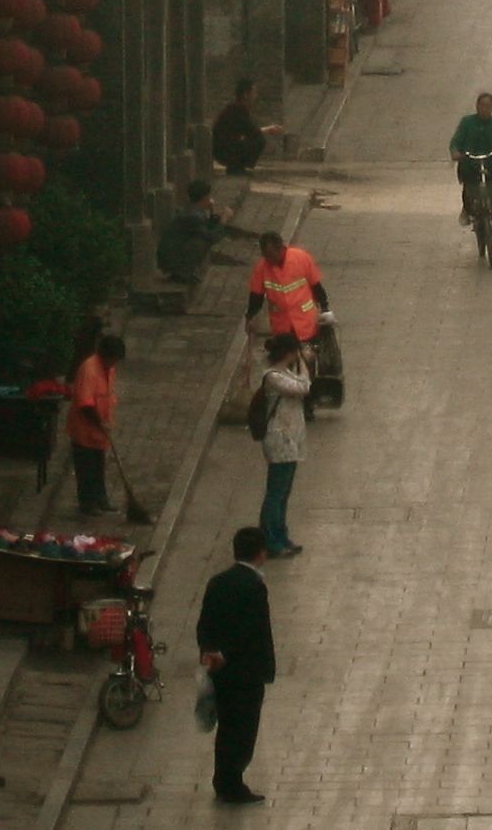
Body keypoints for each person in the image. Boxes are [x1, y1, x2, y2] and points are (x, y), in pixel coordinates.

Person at [196, 527, 278, 804]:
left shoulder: (217, 582)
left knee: (227, 726)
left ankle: (223, 779)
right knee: (243, 730)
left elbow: (204, 622)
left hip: (220, 672)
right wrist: (227, 653)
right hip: (246, 672)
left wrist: (209, 651)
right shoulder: (255, 587)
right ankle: (232, 783)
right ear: (261, 553)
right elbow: (250, 630)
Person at [254, 332, 312, 558]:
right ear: (289, 353)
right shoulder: (273, 376)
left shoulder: (285, 371)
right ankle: (271, 540)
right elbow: (303, 388)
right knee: (276, 493)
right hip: (279, 439)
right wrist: (304, 363)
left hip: (291, 439)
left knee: (284, 492)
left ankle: (281, 534)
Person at [68, 335, 125, 516]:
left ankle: (101, 499)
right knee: (87, 469)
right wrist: (99, 422)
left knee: (99, 467)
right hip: (85, 429)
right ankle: (87, 504)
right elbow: (85, 403)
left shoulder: (109, 368)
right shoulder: (89, 370)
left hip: (99, 431)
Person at [449, 90, 492, 237]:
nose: (484, 109)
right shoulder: (467, 123)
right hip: (470, 163)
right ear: (477, 106)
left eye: (488, 106)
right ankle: (468, 210)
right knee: (469, 189)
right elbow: (456, 141)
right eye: (482, 105)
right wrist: (456, 152)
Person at [160, 178, 230, 285]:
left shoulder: (194, 210)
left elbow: (207, 227)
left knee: (202, 240)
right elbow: (211, 237)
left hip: (173, 255)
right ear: (205, 197)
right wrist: (224, 220)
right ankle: (183, 273)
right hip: (171, 258)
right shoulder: (193, 216)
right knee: (201, 242)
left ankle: (185, 272)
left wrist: (212, 211)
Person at [211, 80, 285, 181]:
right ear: (245, 94)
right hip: (223, 149)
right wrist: (269, 129)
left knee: (255, 139)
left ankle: (238, 167)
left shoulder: (237, 107)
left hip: (224, 146)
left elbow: (250, 129)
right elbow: (253, 131)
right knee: (259, 140)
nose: (255, 95)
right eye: (254, 92)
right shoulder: (237, 109)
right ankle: (236, 168)